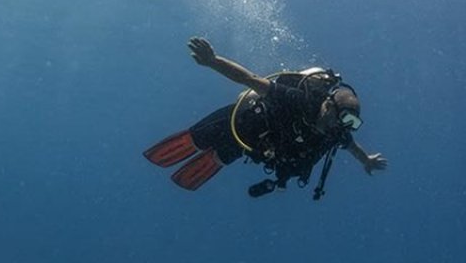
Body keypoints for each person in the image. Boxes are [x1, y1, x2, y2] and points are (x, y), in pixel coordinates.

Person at [144, 37, 387, 199]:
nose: (341, 126)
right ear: (327, 104)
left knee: (223, 154)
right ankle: (195, 141)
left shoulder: (337, 132)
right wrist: (212, 61)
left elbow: (351, 145)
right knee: (200, 137)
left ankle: (214, 155)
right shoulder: (298, 99)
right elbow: (249, 79)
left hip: (253, 147)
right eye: (342, 117)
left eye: (351, 124)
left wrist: (366, 160)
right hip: (243, 123)